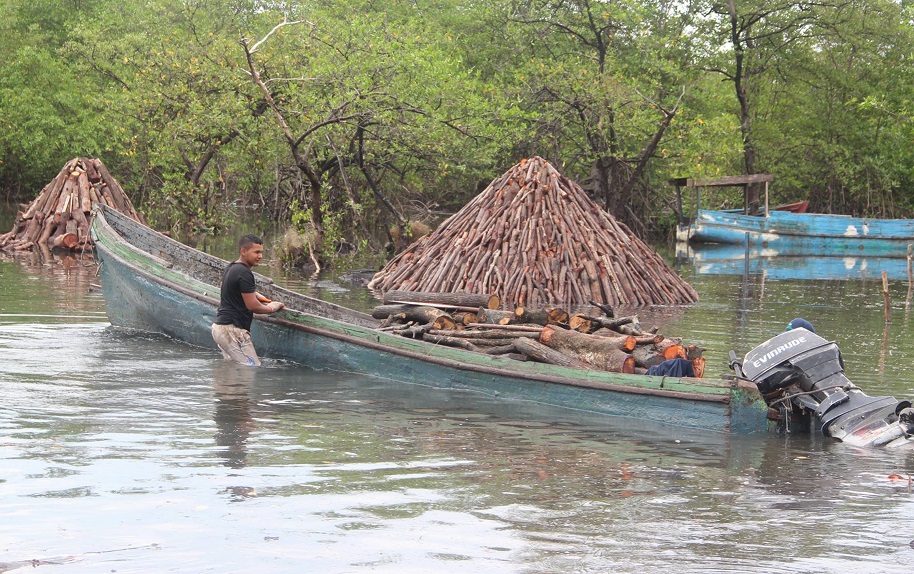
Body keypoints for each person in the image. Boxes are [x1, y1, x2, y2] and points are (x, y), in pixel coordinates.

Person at [211, 234, 284, 366]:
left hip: (220, 328)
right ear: (243, 251)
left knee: (232, 371)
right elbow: (253, 307)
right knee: (251, 368)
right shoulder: (245, 273)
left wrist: (254, 294)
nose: (260, 256)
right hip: (232, 331)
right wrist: (272, 307)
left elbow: (227, 286)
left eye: (261, 252)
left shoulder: (231, 267)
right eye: (256, 252)